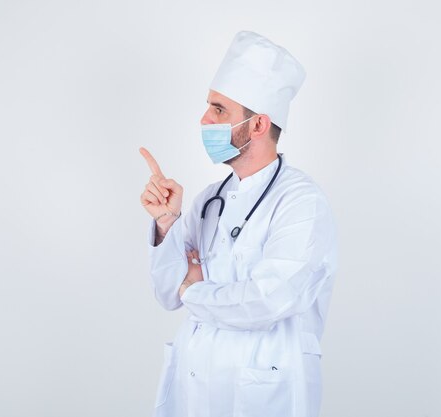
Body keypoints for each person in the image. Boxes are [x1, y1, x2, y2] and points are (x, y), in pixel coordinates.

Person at [139, 31, 338, 417]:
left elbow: (266, 300)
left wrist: (194, 291)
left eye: (218, 110)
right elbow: (168, 294)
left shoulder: (301, 203)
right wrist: (167, 223)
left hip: (265, 390)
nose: (204, 119)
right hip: (194, 386)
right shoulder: (209, 200)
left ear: (259, 124)